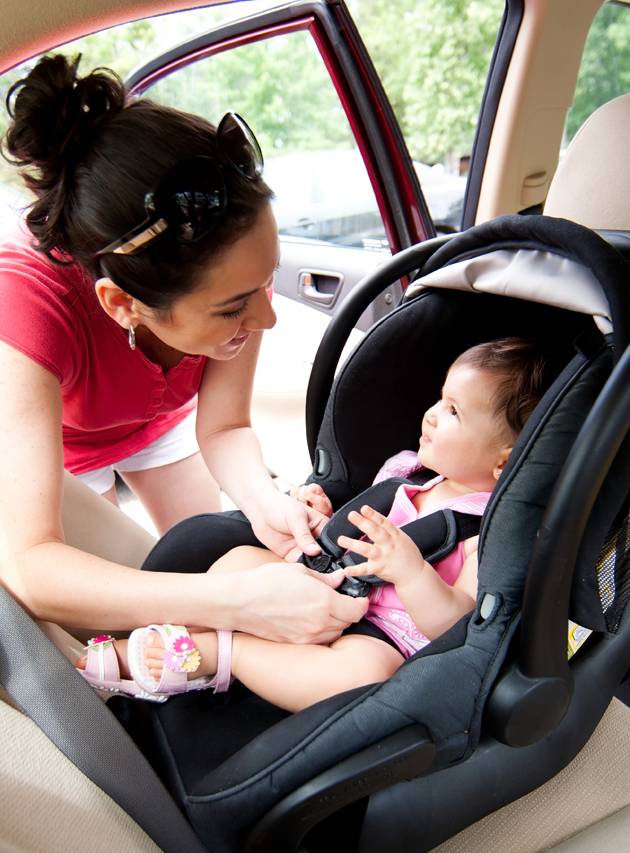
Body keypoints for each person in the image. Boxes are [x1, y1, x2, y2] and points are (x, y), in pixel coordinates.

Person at [0, 54, 368, 648]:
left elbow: (224, 428)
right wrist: (237, 605)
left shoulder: (235, 277)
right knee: (112, 609)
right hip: (59, 452)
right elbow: (31, 565)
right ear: (122, 305)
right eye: (232, 308)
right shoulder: (26, 305)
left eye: (265, 282)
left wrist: (264, 503)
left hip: (158, 424)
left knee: (187, 555)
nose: (267, 317)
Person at [78, 338, 551, 710]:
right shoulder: (407, 473)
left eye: (453, 412)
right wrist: (320, 512)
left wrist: (411, 572)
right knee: (241, 558)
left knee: (365, 677)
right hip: (321, 581)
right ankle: (176, 630)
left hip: (381, 635)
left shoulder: (487, 531)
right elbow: (351, 525)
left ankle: (219, 656)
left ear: (504, 464)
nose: (430, 413)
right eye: (440, 398)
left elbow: (457, 622)